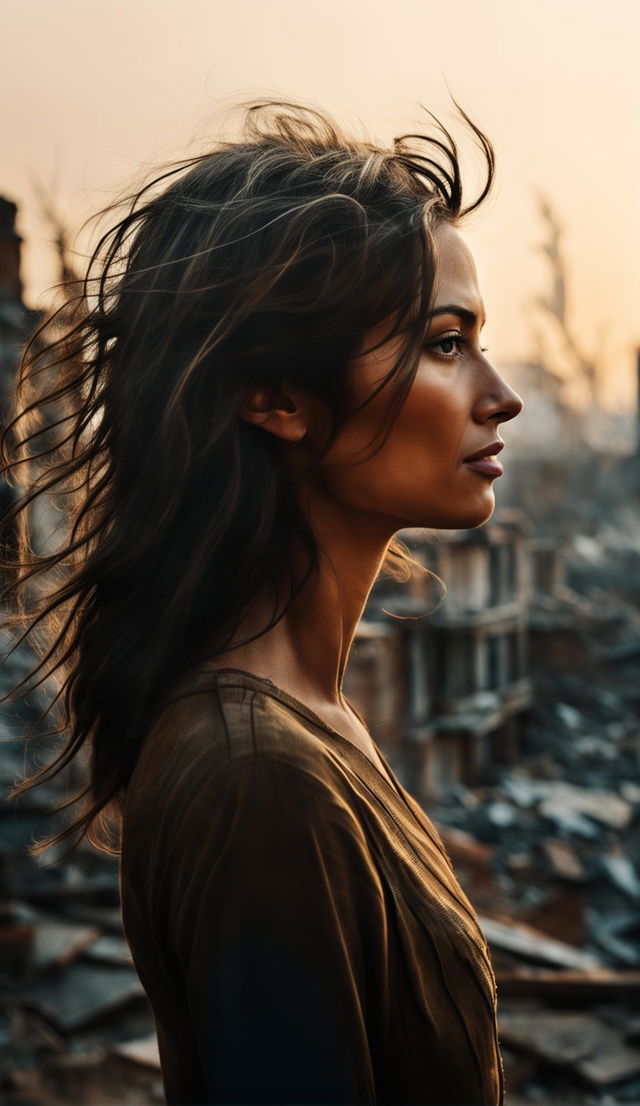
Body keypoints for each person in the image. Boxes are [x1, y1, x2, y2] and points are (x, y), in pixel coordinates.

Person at [1, 99, 523, 1105]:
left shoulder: (310, 727)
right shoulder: (258, 777)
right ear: (278, 397)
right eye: (445, 343)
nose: (498, 393)